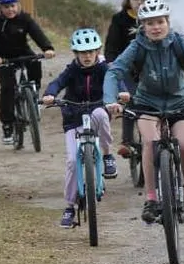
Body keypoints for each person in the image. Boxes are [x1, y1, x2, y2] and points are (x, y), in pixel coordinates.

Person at [103, 0, 184, 227]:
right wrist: (110, 101)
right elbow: (113, 72)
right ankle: (151, 199)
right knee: (149, 143)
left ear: (168, 22)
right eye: (149, 23)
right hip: (147, 103)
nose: (155, 27)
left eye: (160, 22)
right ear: (142, 26)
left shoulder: (180, 43)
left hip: (180, 102)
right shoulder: (136, 46)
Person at [42, 28, 129, 228]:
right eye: (83, 53)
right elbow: (57, 83)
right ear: (76, 54)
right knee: (73, 161)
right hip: (74, 117)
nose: (87, 56)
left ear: (98, 51)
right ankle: (70, 206)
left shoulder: (105, 68)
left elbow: (116, 80)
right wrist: (50, 94)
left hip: (98, 110)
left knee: (100, 114)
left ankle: (107, 155)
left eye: (91, 51)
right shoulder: (72, 69)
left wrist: (123, 93)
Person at [0, 0, 56, 145]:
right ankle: (8, 125)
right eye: (6, 7)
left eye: (13, 5)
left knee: (35, 63)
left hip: (22, 52)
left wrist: (47, 48)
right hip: (2, 57)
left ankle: (34, 94)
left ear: (18, 5)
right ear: (0, 8)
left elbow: (37, 33)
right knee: (8, 87)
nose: (10, 9)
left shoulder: (25, 19)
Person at [104, 0, 150, 159]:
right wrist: (111, 62)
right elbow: (111, 46)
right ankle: (127, 141)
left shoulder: (152, 17)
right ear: (128, 1)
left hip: (149, 67)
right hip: (127, 68)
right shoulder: (120, 20)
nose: (140, 2)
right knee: (130, 99)